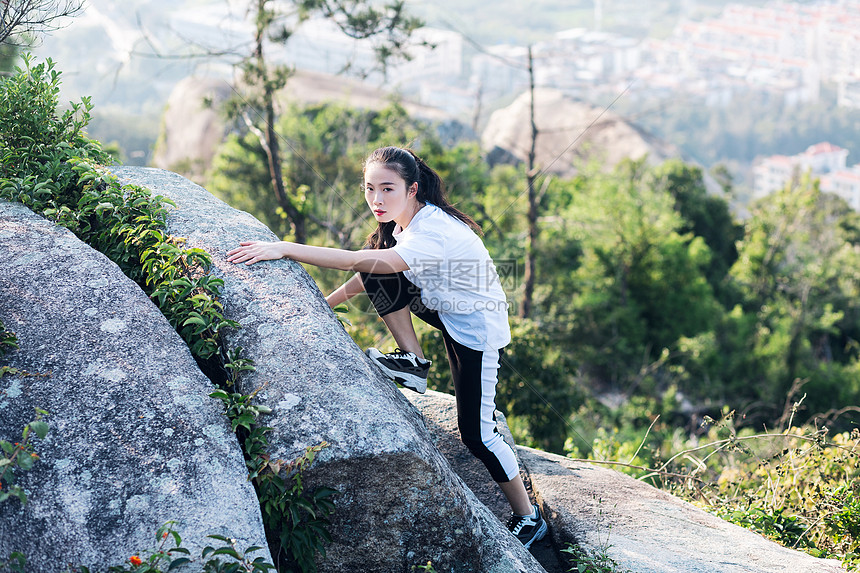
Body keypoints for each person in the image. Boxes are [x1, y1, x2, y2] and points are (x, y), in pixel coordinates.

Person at [226, 146, 547, 549]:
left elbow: (360, 263)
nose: (377, 200)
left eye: (388, 189)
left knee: (476, 435)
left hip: (475, 329)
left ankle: (529, 518)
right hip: (445, 307)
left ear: (413, 189)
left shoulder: (432, 230)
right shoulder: (404, 223)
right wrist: (323, 307)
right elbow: (369, 274)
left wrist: (285, 248)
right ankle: (412, 360)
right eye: (369, 188)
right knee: (375, 263)